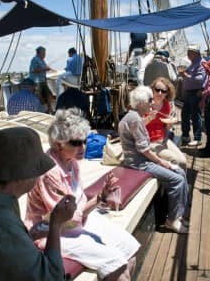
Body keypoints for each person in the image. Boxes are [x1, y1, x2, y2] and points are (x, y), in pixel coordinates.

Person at [25, 108, 140, 281]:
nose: (83, 147)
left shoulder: (72, 163)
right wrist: (98, 199)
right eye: (76, 143)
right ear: (58, 144)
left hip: (77, 222)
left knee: (130, 249)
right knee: (117, 264)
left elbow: (78, 205)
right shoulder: (50, 171)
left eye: (84, 141)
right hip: (52, 232)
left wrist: (100, 198)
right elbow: (65, 218)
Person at [0, 127, 77, 280]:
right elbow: (53, 276)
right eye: (36, 169)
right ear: (20, 175)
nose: (39, 174)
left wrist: (27, 237)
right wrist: (56, 224)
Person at [118, 85, 189, 234]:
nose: (152, 103)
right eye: (150, 100)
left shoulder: (134, 116)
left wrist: (149, 118)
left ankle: (178, 215)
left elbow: (137, 130)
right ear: (142, 103)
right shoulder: (135, 119)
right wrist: (164, 163)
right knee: (177, 179)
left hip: (141, 160)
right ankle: (172, 221)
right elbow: (144, 149)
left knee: (181, 173)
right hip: (138, 163)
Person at [145, 77, 187, 171]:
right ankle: (178, 183)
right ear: (152, 90)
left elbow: (165, 126)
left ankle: (183, 184)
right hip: (149, 141)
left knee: (183, 161)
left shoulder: (167, 105)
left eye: (163, 91)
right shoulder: (145, 104)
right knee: (175, 160)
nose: (160, 93)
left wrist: (169, 124)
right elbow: (136, 126)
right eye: (157, 90)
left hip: (163, 139)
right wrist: (148, 118)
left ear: (167, 93)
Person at [179, 44, 208, 147]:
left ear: (195, 53)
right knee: (185, 115)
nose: (187, 54)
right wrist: (184, 74)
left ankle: (197, 138)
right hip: (189, 94)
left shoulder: (201, 63)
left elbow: (200, 79)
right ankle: (186, 136)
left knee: (196, 116)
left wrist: (186, 75)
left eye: (189, 52)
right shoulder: (194, 63)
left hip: (195, 93)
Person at [29, 46, 56, 114]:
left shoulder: (42, 60)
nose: (45, 55)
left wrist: (53, 70)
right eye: (43, 53)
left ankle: (49, 109)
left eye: (45, 53)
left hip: (43, 81)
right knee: (38, 97)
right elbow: (34, 70)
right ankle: (39, 112)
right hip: (36, 82)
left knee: (49, 94)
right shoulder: (34, 60)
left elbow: (46, 67)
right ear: (39, 53)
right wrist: (45, 69)